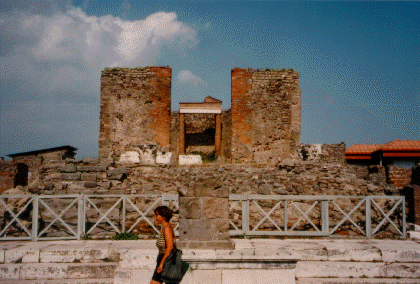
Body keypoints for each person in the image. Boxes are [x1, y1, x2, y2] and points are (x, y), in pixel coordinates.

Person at [150, 206, 176, 284]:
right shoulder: (165, 227)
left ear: (163, 217)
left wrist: (161, 264)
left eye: (157, 215)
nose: (155, 217)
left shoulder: (167, 228)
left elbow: (170, 246)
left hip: (165, 260)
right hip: (164, 259)